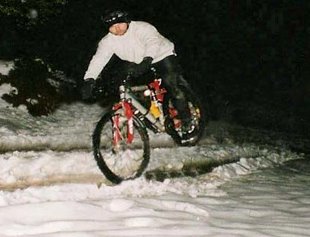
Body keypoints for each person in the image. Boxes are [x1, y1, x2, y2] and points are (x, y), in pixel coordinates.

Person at [82, 10, 193, 132]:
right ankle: (148, 116)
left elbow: (152, 42)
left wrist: (147, 59)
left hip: (162, 56)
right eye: (112, 27)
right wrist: (89, 79)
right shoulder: (108, 41)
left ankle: (186, 118)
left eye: (119, 24)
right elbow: (99, 59)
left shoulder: (142, 28)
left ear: (127, 22)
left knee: (173, 86)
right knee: (126, 88)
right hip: (137, 61)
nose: (117, 28)